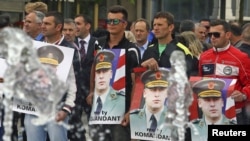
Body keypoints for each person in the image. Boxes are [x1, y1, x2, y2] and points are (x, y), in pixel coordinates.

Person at [86, 5, 140, 141]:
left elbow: (136, 82)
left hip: (121, 109)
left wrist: (131, 110)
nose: (111, 24)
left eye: (115, 21)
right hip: (100, 108)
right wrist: (92, 91)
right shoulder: (98, 43)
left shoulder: (131, 49)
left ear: (124, 24)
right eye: (108, 21)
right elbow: (94, 68)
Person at [24, 11, 77, 141]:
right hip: (33, 107)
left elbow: (74, 83)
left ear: (58, 27)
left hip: (57, 108)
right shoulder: (34, 46)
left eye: (47, 24)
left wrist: (66, 108)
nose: (43, 26)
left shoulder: (70, 50)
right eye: (42, 23)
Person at [199, 19, 250, 125]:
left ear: (228, 35)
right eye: (210, 34)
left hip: (234, 114)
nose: (212, 37)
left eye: (216, 34)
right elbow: (200, 82)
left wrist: (243, 94)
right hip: (209, 114)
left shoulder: (241, 57)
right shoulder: (204, 57)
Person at [141, 11, 195, 77]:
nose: (156, 28)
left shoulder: (182, 50)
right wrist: (143, 66)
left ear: (171, 27)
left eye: (160, 25)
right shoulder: (149, 50)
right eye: (154, 25)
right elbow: (140, 77)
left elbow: (187, 76)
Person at [130, 68, 172, 140]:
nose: (157, 95)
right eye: (153, 89)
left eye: (161, 90)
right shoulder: (133, 118)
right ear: (145, 93)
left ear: (167, 94)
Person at [89, 50, 125, 120]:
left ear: (111, 74)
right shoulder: (93, 99)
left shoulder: (121, 100)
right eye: (98, 72)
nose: (101, 76)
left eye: (105, 71)